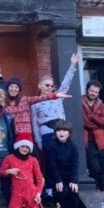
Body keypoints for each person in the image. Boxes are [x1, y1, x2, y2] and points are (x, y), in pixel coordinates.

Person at [31, 53, 79, 197]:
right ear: (40, 86)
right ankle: (50, 189)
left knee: (65, 159)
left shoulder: (58, 97)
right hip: (46, 132)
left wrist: (72, 65)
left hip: (61, 130)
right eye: (47, 85)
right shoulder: (35, 102)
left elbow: (66, 83)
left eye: (52, 86)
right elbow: (34, 123)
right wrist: (38, 140)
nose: (50, 88)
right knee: (49, 161)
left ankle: (67, 185)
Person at [5, 77, 70, 148]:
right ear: (7, 88)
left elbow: (39, 98)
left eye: (16, 87)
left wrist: (55, 95)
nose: (13, 89)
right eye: (11, 86)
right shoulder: (3, 103)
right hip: (10, 134)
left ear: (19, 89)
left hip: (24, 134)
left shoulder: (25, 100)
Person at [46, 120, 84, 208]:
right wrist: (58, 180)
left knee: (73, 192)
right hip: (57, 175)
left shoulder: (73, 146)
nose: (61, 133)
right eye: (59, 130)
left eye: (64, 130)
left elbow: (75, 164)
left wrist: (74, 180)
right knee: (61, 193)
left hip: (70, 175)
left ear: (69, 133)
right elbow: (52, 165)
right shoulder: (52, 146)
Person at [82, 80, 104, 191]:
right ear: (87, 90)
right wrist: (98, 123)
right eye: (92, 91)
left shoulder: (100, 104)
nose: (93, 93)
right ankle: (95, 190)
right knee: (94, 169)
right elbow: (84, 122)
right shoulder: (79, 102)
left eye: (96, 92)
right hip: (87, 141)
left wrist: (93, 117)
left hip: (100, 141)